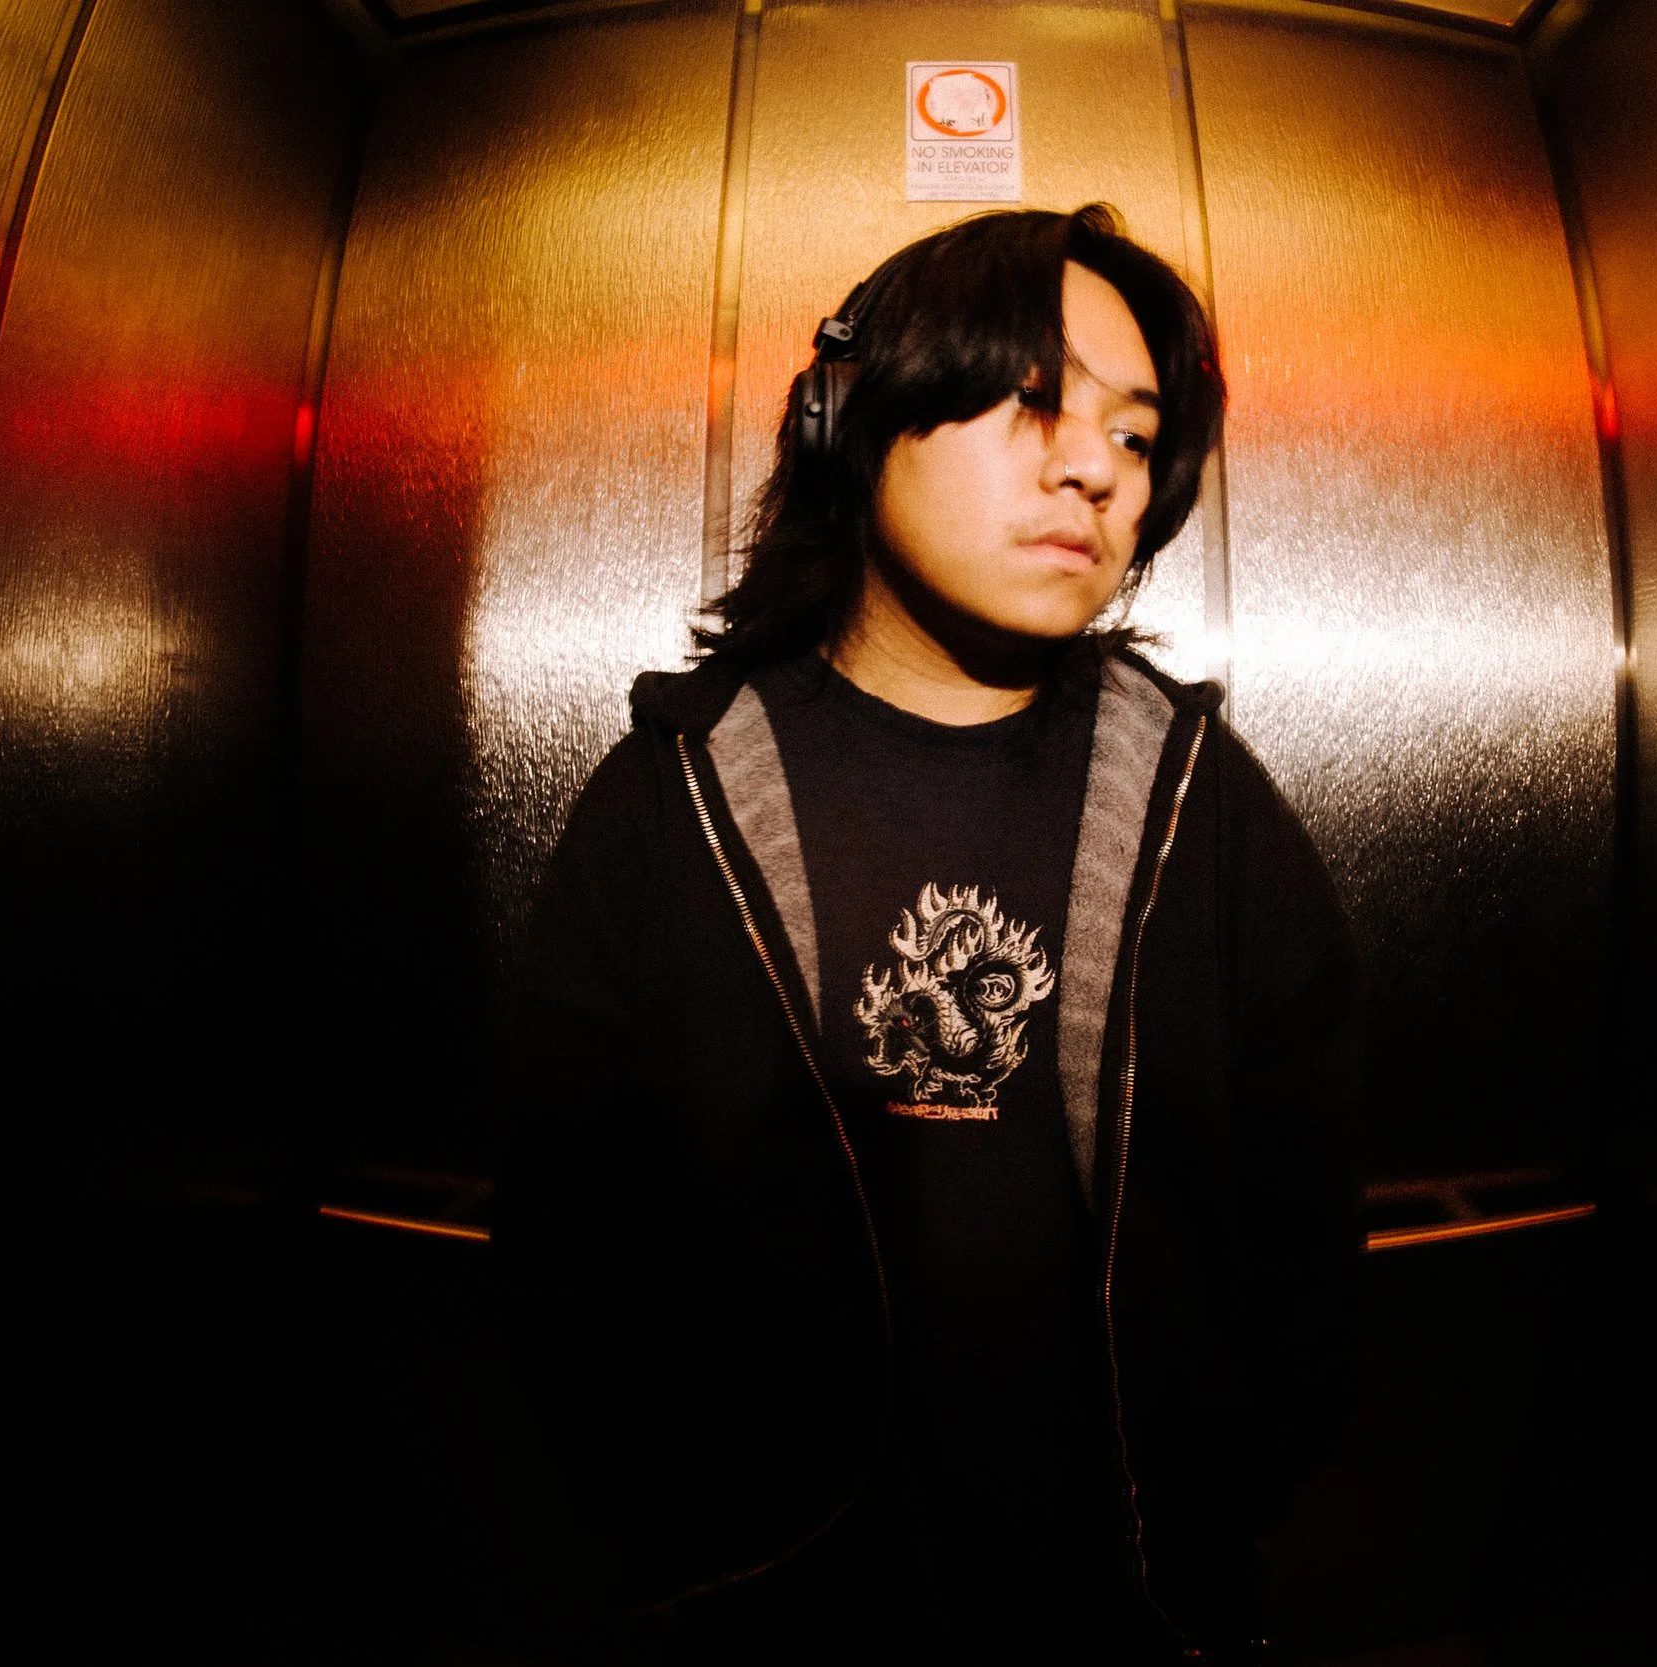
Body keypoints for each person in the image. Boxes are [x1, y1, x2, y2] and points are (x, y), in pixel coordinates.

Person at [501, 204, 1365, 1663]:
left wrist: (1223, 1513)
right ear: (853, 417)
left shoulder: (1195, 798)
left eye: (1137, 434)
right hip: (762, 1596)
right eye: (1031, 398)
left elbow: (1304, 1221)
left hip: (1132, 1605)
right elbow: (568, 1234)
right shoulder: (680, 792)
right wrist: (655, 1526)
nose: (1095, 466)